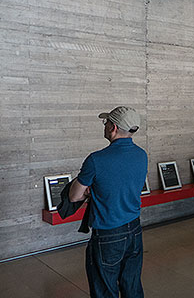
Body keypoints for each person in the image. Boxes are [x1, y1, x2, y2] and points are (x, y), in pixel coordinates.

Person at [69, 106, 148, 298]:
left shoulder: (96, 160)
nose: (104, 126)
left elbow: (74, 196)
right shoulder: (141, 155)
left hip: (108, 235)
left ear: (112, 127)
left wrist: (90, 192)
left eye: (105, 123)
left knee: (105, 289)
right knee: (132, 286)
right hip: (135, 231)